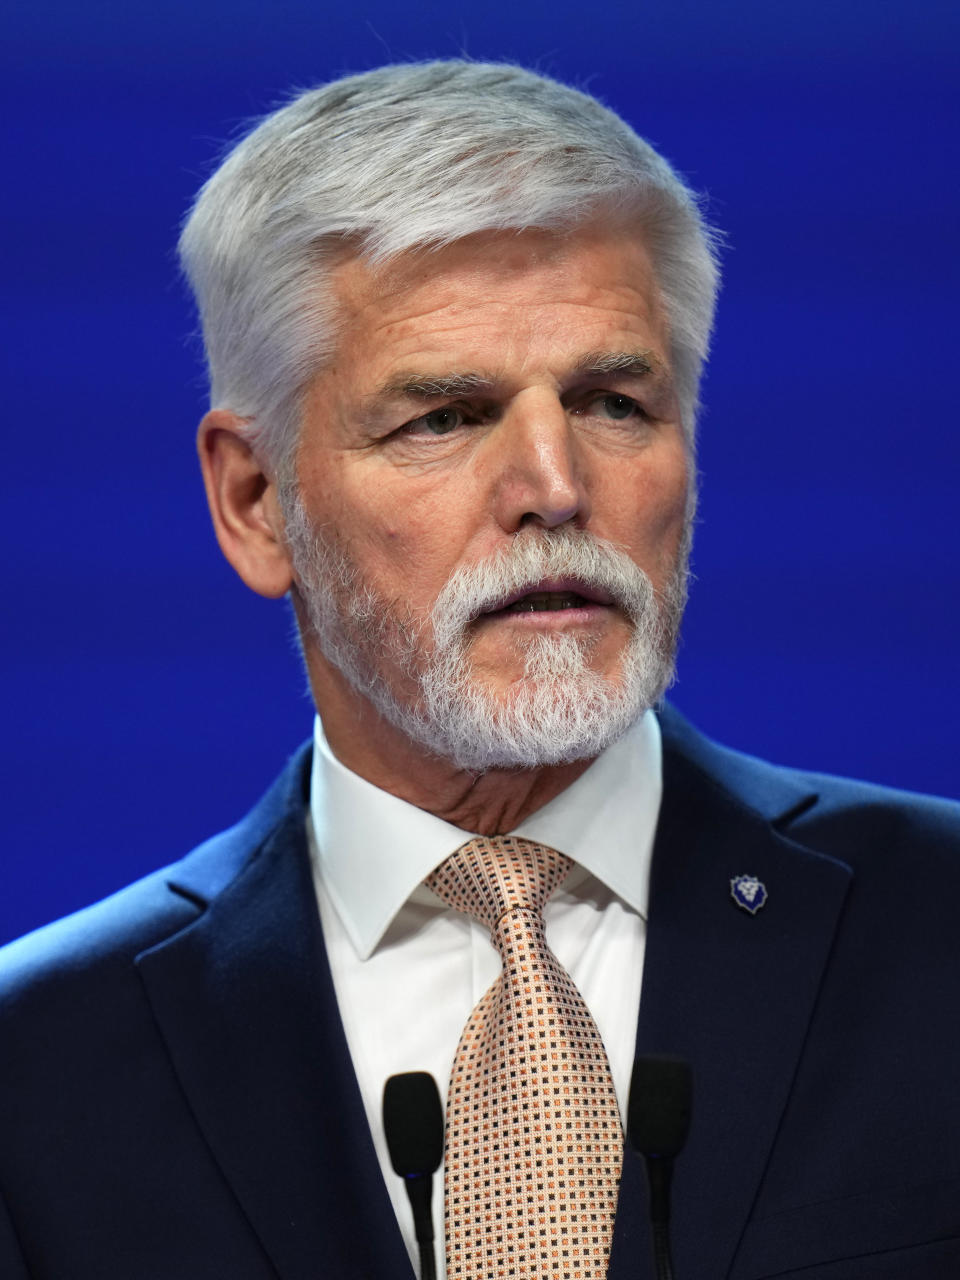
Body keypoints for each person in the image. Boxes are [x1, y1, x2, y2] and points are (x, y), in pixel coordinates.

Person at [1, 60, 958, 1280]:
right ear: (255, 502)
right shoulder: (37, 1070)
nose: (556, 489)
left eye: (614, 402)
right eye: (445, 418)